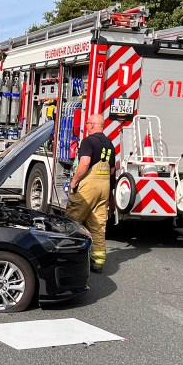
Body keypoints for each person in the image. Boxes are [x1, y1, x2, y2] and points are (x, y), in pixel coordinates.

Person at [65, 114, 114, 273]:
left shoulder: (88, 141)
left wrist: (74, 182)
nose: (86, 125)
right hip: (104, 186)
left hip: (89, 187)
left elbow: (85, 162)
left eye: (87, 123)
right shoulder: (109, 144)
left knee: (72, 221)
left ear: (92, 125)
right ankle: (98, 261)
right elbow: (112, 169)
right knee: (98, 225)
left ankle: (68, 259)